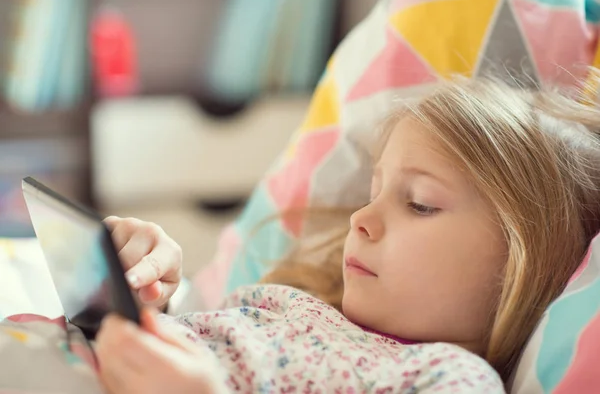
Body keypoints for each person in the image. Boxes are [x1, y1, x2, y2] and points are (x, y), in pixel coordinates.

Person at [94, 76, 600, 393]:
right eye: (374, 191)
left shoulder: (444, 379)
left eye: (420, 204)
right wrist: (150, 292)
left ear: (519, 265)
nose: (361, 218)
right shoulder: (293, 304)